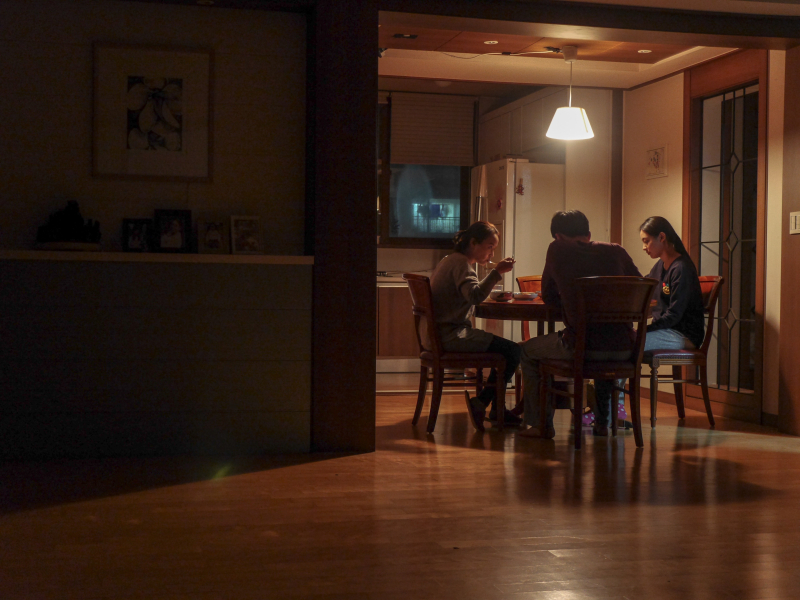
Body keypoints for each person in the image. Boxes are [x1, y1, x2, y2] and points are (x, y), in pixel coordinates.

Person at [519, 210, 642, 438]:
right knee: (604, 347)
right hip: (624, 348)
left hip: (583, 348)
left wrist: (570, 304)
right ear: (589, 234)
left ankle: (540, 425)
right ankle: (602, 424)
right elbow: (641, 287)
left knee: (527, 351)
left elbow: (548, 295)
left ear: (558, 236)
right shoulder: (616, 250)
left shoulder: (557, 249)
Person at [427, 221, 522, 430]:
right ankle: (484, 404)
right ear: (473, 243)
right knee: (513, 351)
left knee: (507, 350)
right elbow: (475, 296)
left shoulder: (450, 260)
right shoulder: (461, 264)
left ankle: (496, 409)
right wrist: (497, 272)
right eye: (489, 247)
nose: (491, 253)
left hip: (440, 333)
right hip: (450, 336)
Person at [639, 216, 705, 352]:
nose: (644, 247)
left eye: (646, 241)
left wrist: (646, 329)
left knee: (630, 342)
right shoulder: (659, 266)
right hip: (665, 330)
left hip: (683, 334)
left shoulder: (681, 268)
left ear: (661, 237)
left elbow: (674, 314)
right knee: (626, 339)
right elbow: (645, 286)